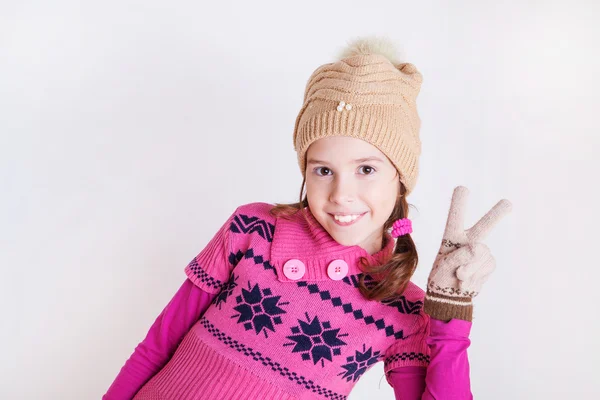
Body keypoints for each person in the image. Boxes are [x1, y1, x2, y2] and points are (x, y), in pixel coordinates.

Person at [103, 36, 512, 400]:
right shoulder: (251, 230)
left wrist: (448, 315)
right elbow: (157, 347)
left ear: (400, 179)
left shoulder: (402, 309)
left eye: (366, 170)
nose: (341, 195)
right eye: (323, 170)